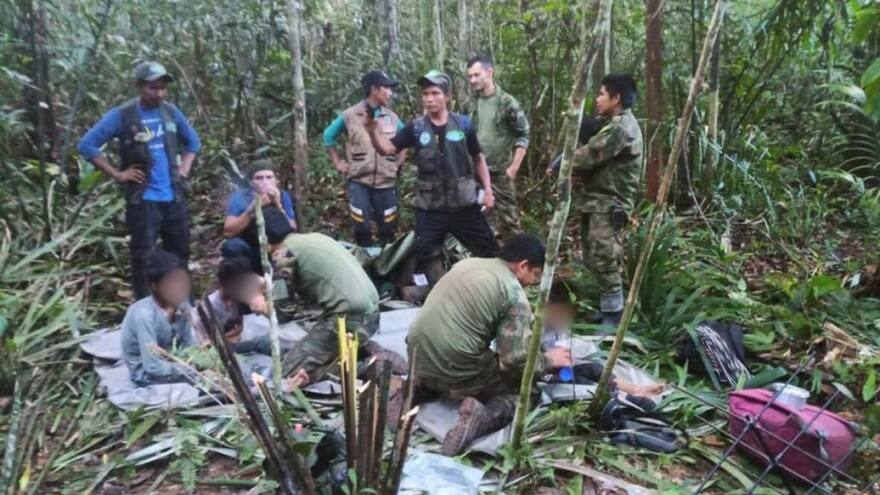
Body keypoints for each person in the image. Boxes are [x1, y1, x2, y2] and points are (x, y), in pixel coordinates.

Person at [406, 234, 572, 455]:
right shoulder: (513, 293)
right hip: (455, 365)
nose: (533, 282)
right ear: (523, 265)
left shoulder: (468, 264)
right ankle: (479, 418)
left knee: (475, 357)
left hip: (416, 354)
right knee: (527, 394)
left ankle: (417, 388)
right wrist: (549, 359)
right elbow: (514, 361)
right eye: (535, 274)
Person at [77, 61, 201, 299]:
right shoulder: (122, 115)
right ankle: (146, 307)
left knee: (180, 252)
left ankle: (186, 305)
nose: (159, 93)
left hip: (173, 196)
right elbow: (86, 145)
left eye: (163, 88)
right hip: (143, 200)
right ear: (138, 86)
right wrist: (118, 174)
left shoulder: (171, 112)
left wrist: (184, 167)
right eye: (153, 88)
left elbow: (193, 142)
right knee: (144, 255)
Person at [366, 70, 499, 278]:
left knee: (488, 251)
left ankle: (494, 290)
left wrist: (488, 192)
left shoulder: (463, 124)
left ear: (447, 97)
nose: (429, 99)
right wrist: (372, 131)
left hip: (464, 204)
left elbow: (478, 158)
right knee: (426, 252)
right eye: (425, 94)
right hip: (430, 207)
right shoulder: (416, 128)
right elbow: (387, 149)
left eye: (435, 93)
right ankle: (437, 291)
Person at [248, 209, 382, 387]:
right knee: (307, 349)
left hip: (347, 320)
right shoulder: (315, 238)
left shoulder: (284, 255)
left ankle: (363, 368)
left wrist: (260, 304)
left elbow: (283, 314)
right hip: (372, 315)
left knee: (284, 377)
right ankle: (357, 354)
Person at [571, 74, 643, 329]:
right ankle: (607, 308)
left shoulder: (621, 128)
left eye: (602, 94)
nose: (597, 99)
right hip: (597, 201)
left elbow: (588, 156)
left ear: (616, 98)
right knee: (593, 256)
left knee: (605, 257)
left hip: (610, 204)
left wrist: (563, 162)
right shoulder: (611, 123)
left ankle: (615, 315)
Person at [323, 70, 407, 247]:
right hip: (359, 180)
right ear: (374, 89)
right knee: (361, 225)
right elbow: (328, 136)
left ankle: (387, 265)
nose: (390, 93)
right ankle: (364, 263)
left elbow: (405, 139)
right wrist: (338, 162)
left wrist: (399, 161)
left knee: (388, 226)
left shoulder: (392, 118)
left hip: (386, 181)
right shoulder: (350, 115)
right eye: (387, 88)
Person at [464, 55, 530, 241]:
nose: (473, 80)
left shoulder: (508, 103)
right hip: (475, 172)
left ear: (489, 72)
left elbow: (523, 134)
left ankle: (516, 263)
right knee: (478, 220)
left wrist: (514, 168)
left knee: (509, 221)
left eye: (476, 75)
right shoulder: (469, 104)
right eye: (470, 77)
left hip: (501, 172)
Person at [121, 250, 196, 386]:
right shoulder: (144, 315)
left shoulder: (183, 305)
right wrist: (187, 369)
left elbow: (189, 344)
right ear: (155, 286)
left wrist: (195, 360)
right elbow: (152, 366)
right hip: (146, 373)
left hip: (175, 363)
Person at [222, 159, 297, 270]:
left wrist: (278, 204)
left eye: (269, 177)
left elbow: (292, 228)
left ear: (276, 180)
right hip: (251, 246)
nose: (264, 181)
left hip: (277, 248)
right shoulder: (240, 197)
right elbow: (228, 232)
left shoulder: (282, 195)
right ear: (251, 182)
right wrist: (252, 210)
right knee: (232, 247)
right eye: (259, 178)